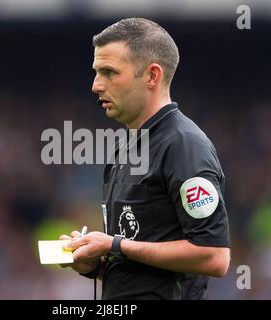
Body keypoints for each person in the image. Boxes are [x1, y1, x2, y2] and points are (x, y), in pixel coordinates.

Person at [60, 17, 231, 300]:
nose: (96, 85)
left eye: (109, 72)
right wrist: (92, 263)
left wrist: (116, 245)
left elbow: (213, 256)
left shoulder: (183, 145)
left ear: (152, 76)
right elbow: (140, 269)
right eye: (96, 72)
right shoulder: (123, 149)